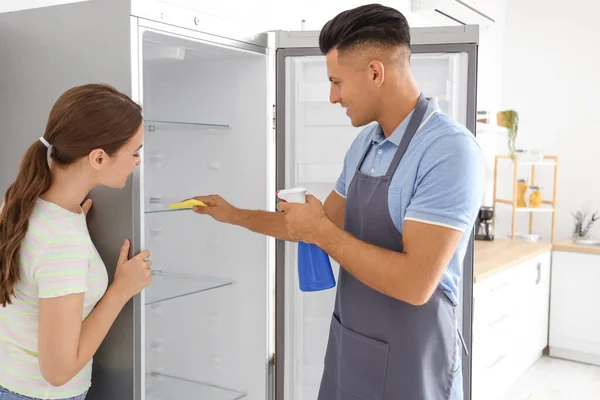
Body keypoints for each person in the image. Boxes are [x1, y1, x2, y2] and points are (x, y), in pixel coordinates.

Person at [190, 4, 484, 400]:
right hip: (354, 344)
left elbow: (416, 284)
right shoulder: (366, 144)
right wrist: (233, 215)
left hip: (413, 360)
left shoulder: (448, 150)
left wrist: (322, 234)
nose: (332, 97)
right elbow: (316, 223)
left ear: (376, 72)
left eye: (336, 82)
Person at [0, 84, 152, 400]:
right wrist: (121, 290)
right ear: (98, 157)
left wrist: (72, 221)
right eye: (135, 152)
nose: (138, 161)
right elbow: (58, 371)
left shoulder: (22, 202)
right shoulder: (62, 241)